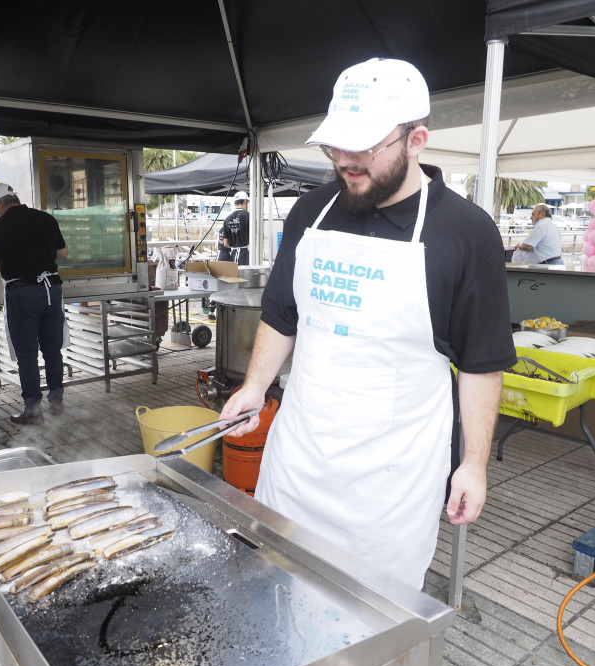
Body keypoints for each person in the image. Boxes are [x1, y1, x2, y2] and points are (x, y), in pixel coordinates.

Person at [220, 58, 516, 590]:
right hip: (298, 463)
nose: (346, 163)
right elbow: (282, 316)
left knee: (369, 623)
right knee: (275, 589)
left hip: (392, 485)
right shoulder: (309, 212)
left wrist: (474, 463)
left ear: (416, 140)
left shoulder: (466, 233)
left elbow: (481, 362)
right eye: (337, 147)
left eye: (364, 149)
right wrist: (254, 387)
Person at [0, 183, 69, 424]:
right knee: (52, 350)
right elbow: (63, 253)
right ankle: (57, 402)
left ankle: (33, 412)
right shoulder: (46, 219)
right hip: (52, 290)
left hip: (23, 293)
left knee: (28, 355)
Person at [220, 192, 250, 265]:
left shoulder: (227, 219)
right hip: (246, 253)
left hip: (233, 254)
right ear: (245, 202)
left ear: (234, 203)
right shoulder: (248, 216)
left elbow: (225, 243)